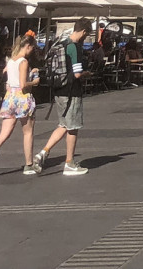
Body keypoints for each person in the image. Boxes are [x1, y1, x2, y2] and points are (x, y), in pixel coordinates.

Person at [0, 34, 40, 178]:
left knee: (3, 134)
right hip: (22, 98)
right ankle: (28, 164)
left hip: (10, 97)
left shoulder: (11, 61)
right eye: (32, 48)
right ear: (28, 46)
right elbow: (23, 84)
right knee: (28, 132)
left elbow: (9, 83)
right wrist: (34, 81)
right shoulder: (24, 62)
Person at [35, 20, 90, 176]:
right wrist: (86, 73)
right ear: (84, 32)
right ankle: (69, 163)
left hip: (58, 89)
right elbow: (77, 73)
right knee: (73, 128)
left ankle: (43, 153)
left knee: (63, 125)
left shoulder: (61, 43)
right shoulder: (75, 47)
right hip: (72, 91)